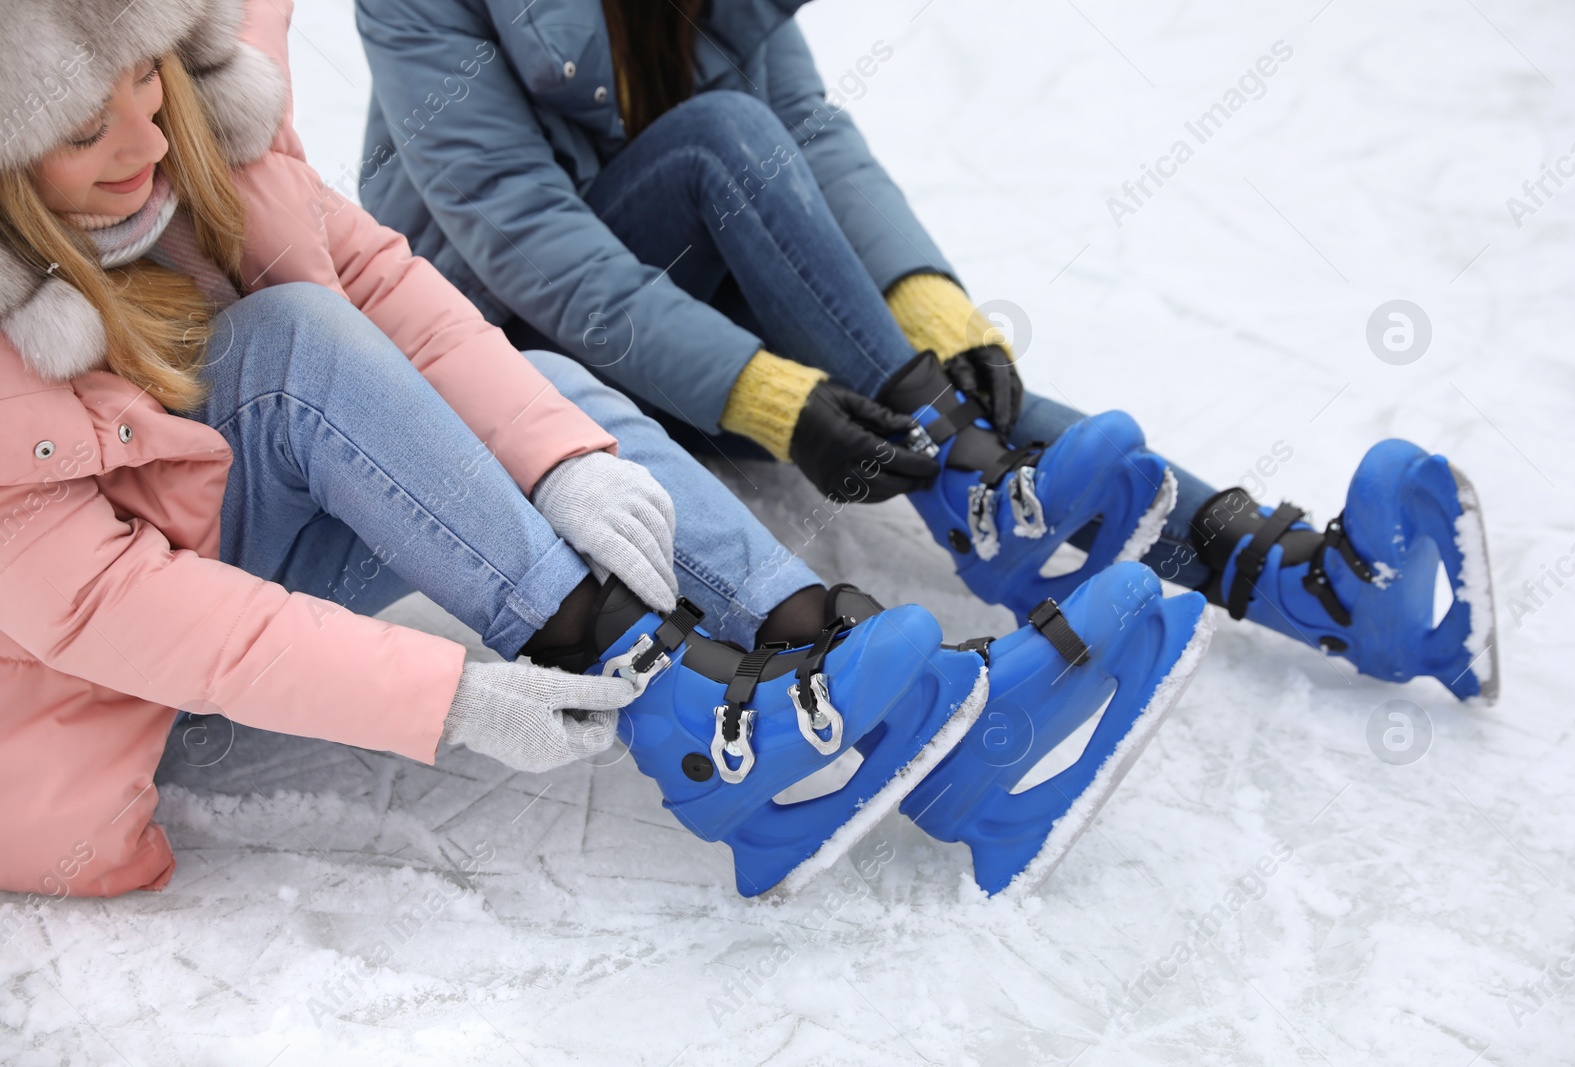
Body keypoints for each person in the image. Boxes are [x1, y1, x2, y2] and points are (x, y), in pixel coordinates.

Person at [0, 0, 1208, 902]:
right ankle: (692, 722)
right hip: (125, 683)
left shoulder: (210, 137)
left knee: (538, 388)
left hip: (253, 529)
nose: (142, 139)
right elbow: (124, 606)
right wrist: (448, 695)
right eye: (84, 128)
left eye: (145, 83)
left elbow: (388, 284)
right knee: (293, 345)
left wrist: (557, 456)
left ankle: (873, 688)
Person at [354, 0, 1499, 703]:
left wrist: (934, 308)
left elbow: (810, 132)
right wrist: (770, 396)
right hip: (515, 365)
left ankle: (1298, 573)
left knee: (926, 369)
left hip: (684, 321)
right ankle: (983, 487)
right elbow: (527, 237)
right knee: (722, 143)